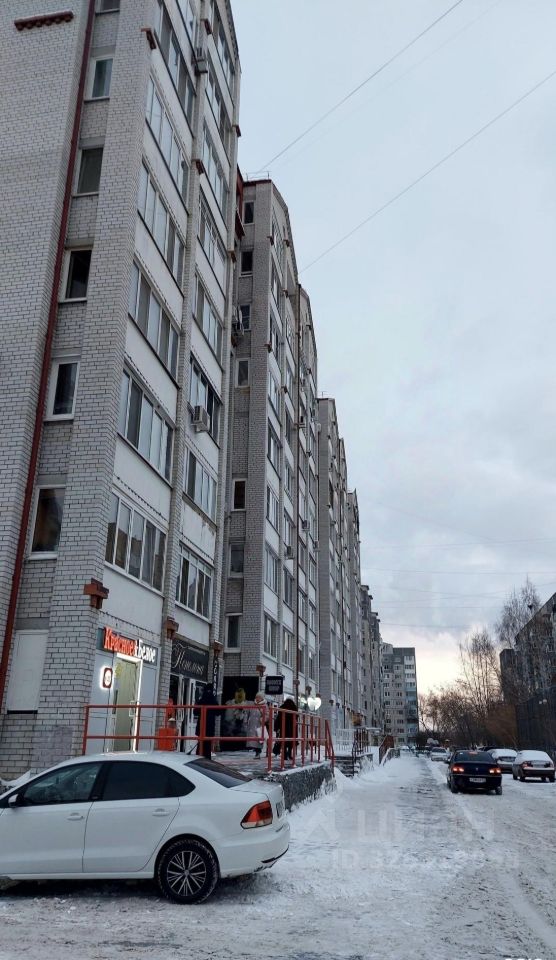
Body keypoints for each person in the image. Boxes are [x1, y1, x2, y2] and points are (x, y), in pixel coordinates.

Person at [193, 686, 224, 759]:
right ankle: (207, 759)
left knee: (200, 744)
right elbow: (218, 712)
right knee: (207, 745)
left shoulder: (202, 700)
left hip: (201, 725)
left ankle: (198, 758)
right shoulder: (213, 700)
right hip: (210, 726)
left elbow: (195, 712)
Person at [246, 692, 268, 757]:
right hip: (252, 724)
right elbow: (247, 713)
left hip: (259, 724)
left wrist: (263, 719)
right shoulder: (252, 704)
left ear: (262, 698)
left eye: (259, 697)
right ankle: (255, 751)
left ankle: (258, 752)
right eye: (256, 697)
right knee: (253, 739)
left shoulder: (265, 705)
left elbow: (267, 715)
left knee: (259, 739)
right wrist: (246, 721)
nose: (257, 698)